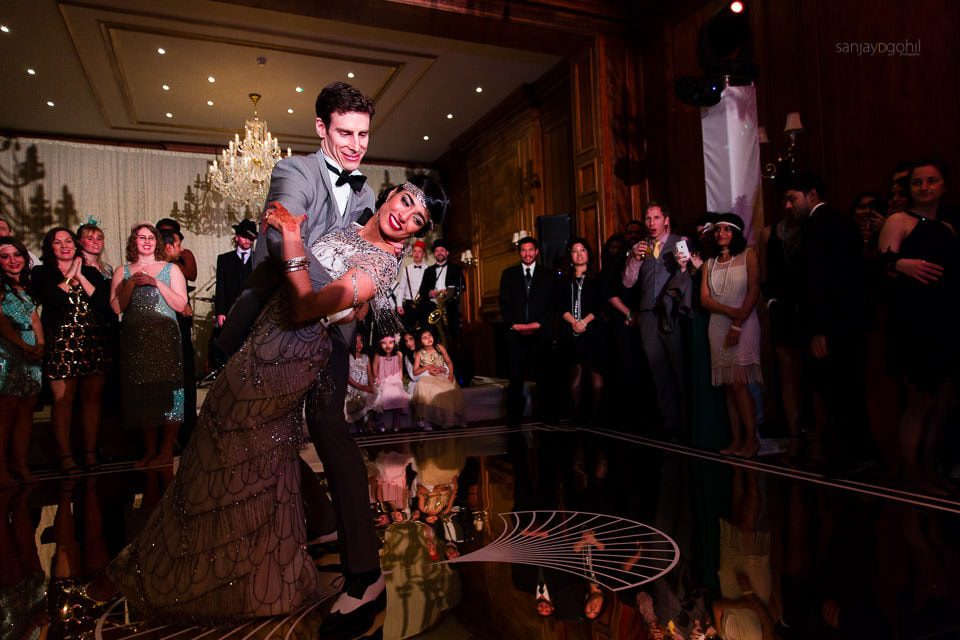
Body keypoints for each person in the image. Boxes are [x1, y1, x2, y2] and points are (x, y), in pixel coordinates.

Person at [105, 176, 447, 627]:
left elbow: (309, 306)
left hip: (298, 350)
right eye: (405, 202)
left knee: (246, 436)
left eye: (416, 219)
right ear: (391, 195)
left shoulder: (381, 264)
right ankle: (267, 547)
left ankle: (296, 570)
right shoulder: (350, 227)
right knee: (247, 437)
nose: (403, 216)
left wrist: (292, 239)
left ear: (416, 233)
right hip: (269, 337)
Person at [213, 84, 386, 630]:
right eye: (345, 133)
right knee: (250, 429)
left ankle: (366, 573)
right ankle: (322, 518)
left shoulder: (365, 192)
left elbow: (367, 257)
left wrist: (346, 304)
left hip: (328, 331)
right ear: (321, 129)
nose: (356, 145)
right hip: (275, 320)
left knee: (327, 429)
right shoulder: (295, 172)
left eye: (363, 135)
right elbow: (280, 241)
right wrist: (340, 284)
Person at [877, 157, 958, 493]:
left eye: (931, 181)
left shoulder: (949, 228)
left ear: (944, 186)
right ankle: (912, 474)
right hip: (912, 321)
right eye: (918, 182)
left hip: (944, 320)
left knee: (942, 400)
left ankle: (929, 467)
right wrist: (900, 263)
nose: (925, 187)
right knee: (919, 399)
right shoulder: (900, 220)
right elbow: (878, 267)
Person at [787, 173, 872, 474]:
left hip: (831, 324)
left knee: (837, 392)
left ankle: (849, 457)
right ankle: (856, 455)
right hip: (851, 321)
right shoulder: (841, 221)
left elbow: (818, 279)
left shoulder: (815, 224)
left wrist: (819, 329)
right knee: (849, 389)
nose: (788, 206)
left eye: (792, 198)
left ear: (811, 195)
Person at [32, 228, 114, 474]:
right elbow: (53, 299)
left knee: (91, 400)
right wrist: (70, 276)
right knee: (63, 401)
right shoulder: (41, 272)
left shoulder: (90, 271)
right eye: (58, 242)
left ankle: (89, 453)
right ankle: (65, 456)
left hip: (92, 342)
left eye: (68, 241)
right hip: (61, 344)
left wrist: (81, 274)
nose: (64, 245)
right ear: (50, 247)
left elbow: (103, 303)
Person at [110, 223, 187, 467]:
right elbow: (116, 307)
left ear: (157, 242)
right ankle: (150, 450)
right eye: (141, 237)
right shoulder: (122, 271)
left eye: (151, 237)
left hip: (165, 339)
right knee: (143, 394)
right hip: (136, 340)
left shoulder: (171, 269)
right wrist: (131, 283)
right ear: (134, 241)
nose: (147, 241)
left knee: (169, 391)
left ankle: (166, 449)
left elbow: (180, 304)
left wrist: (156, 283)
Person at [622, 202, 692, 437]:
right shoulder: (640, 247)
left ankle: (687, 421)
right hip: (648, 314)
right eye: (648, 219)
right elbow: (628, 282)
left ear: (666, 220)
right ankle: (669, 421)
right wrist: (633, 258)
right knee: (657, 369)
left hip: (672, 312)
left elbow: (689, 274)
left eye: (656, 218)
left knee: (679, 367)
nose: (651, 223)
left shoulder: (680, 241)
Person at [700, 214, 763, 458]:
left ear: (735, 233)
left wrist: (737, 322)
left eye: (726, 229)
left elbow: (754, 288)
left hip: (744, 324)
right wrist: (729, 312)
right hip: (717, 325)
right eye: (717, 230)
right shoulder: (709, 263)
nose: (721, 234)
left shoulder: (748, 255)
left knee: (739, 383)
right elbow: (704, 299)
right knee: (728, 386)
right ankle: (736, 439)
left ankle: (752, 439)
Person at [0, 237, 43, 487]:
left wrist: (40, 345)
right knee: (6, 414)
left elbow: (35, 319)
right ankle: (2, 468)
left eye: (16, 255)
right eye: (5, 257)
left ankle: (20, 463)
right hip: (8, 353)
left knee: (26, 411)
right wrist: (24, 345)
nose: (12, 261)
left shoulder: (25, 287)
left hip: (31, 355)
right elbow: (2, 324)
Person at [499, 236, 554, 427]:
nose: (527, 254)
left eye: (531, 250)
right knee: (515, 378)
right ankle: (514, 418)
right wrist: (515, 325)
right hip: (516, 335)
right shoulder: (508, 274)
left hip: (541, 334)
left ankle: (547, 416)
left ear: (537, 251)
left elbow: (552, 305)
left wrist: (539, 324)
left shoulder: (548, 275)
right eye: (524, 250)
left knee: (544, 377)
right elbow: (504, 304)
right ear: (519, 252)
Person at [554, 238, 606, 427]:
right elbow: (560, 305)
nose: (579, 254)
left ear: (588, 254)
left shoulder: (597, 279)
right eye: (575, 251)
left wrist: (584, 322)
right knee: (575, 370)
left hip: (594, 330)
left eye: (582, 250)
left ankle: (596, 415)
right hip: (571, 330)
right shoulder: (563, 281)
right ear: (570, 256)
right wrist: (574, 322)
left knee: (595, 370)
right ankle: (576, 414)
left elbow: (600, 305)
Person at [412, 327, 465, 428]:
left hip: (444, 375)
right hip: (431, 377)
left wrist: (450, 374)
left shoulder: (439, 347)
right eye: (424, 337)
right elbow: (415, 371)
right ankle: (432, 420)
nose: (428, 339)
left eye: (429, 336)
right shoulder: (419, 353)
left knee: (448, 390)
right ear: (420, 341)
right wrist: (426, 367)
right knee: (428, 387)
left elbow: (449, 362)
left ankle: (451, 419)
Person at [417, 239, 465, 347]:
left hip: (450, 309)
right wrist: (430, 293)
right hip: (432, 308)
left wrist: (449, 292)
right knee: (434, 338)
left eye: (442, 250)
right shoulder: (428, 271)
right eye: (437, 251)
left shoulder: (456, 269)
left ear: (447, 253)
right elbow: (422, 291)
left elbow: (462, 287)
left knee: (452, 339)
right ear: (434, 254)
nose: (439, 253)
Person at [213, 219, 257, 330]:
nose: (247, 240)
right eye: (244, 236)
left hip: (253, 311)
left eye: (251, 238)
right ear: (237, 237)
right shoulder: (224, 259)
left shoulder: (257, 258)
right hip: (230, 309)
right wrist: (220, 312)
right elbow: (220, 287)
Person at [372, 334, 409, 432]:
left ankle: (396, 423)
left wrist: (400, 382)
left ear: (395, 343)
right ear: (380, 344)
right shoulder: (378, 355)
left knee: (398, 392)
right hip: (383, 380)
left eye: (390, 342)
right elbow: (375, 371)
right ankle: (379, 422)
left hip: (395, 380)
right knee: (382, 394)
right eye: (384, 343)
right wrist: (377, 382)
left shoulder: (399, 354)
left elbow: (400, 369)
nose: (387, 345)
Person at [394, 239, 429, 329]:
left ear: (423, 254)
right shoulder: (407, 269)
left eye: (419, 252)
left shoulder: (429, 269)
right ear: (412, 253)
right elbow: (402, 288)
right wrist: (399, 304)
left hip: (424, 305)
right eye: (414, 251)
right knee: (409, 330)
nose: (416, 254)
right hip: (410, 306)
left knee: (425, 330)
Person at [345, 332, 376, 430]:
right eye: (355, 342)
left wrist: (371, 387)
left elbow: (369, 375)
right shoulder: (348, 357)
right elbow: (348, 377)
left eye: (360, 341)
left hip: (365, 387)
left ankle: (367, 422)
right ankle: (356, 424)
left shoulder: (365, 357)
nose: (359, 345)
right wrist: (361, 387)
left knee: (374, 396)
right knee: (357, 399)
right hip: (353, 388)